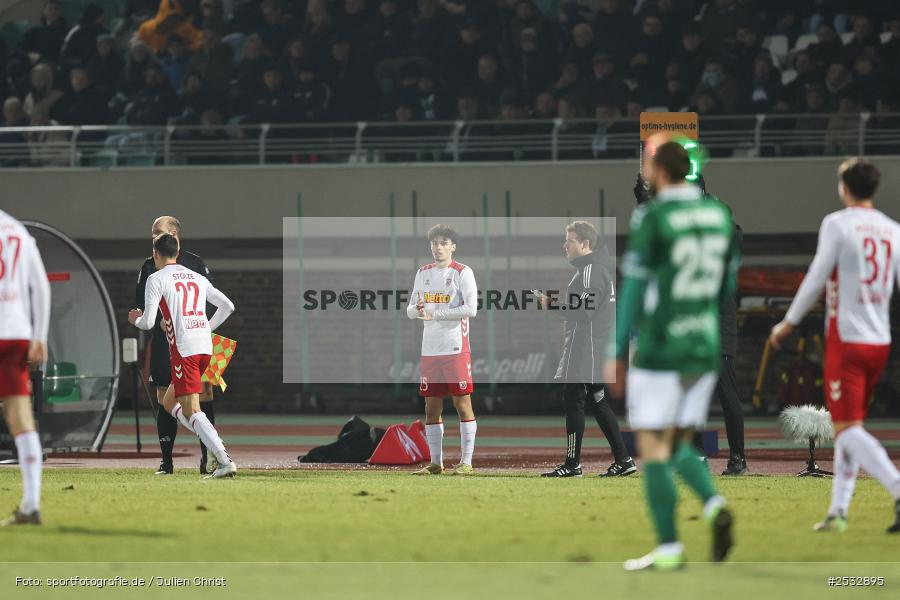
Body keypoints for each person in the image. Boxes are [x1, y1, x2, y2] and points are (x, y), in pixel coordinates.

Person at [606, 141, 737, 571]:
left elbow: (635, 290)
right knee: (680, 439)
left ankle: (670, 546)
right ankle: (715, 506)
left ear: (659, 171)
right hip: (703, 342)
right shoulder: (718, 215)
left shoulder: (653, 216)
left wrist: (617, 349)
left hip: (661, 344)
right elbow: (725, 287)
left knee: (653, 445)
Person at [769, 159, 900, 534]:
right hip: (880, 341)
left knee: (846, 429)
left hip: (847, 341)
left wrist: (788, 322)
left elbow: (816, 276)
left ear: (844, 186)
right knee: (850, 424)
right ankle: (838, 511)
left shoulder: (837, 224)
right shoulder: (892, 230)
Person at [129, 233, 237, 479]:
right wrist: (206, 328)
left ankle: (222, 457)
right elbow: (228, 306)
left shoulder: (156, 278)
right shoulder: (198, 277)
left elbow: (147, 323)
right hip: (205, 347)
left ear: (156, 254)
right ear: (177, 253)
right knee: (168, 403)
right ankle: (212, 444)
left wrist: (134, 319)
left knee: (192, 408)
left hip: (184, 349)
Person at [540, 221, 635, 478]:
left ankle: (572, 464)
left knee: (574, 401)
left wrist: (552, 305)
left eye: (569, 240)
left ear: (585, 244)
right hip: (594, 349)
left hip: (587, 351)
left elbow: (584, 312)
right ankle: (624, 459)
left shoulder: (591, 270)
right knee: (599, 401)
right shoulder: (592, 269)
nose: (565, 245)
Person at [406, 224, 478, 475]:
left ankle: (466, 463)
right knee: (431, 407)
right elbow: (410, 309)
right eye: (435, 243)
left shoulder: (462, 272)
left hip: (455, 347)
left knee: (462, 403)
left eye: (444, 243)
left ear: (453, 247)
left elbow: (471, 309)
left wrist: (435, 313)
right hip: (430, 350)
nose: (438, 247)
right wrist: (419, 311)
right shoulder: (423, 272)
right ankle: (436, 463)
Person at [0, 208, 51, 526]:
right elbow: (41, 287)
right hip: (17, 332)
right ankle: (31, 504)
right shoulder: (17, 230)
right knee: (21, 417)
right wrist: (40, 335)